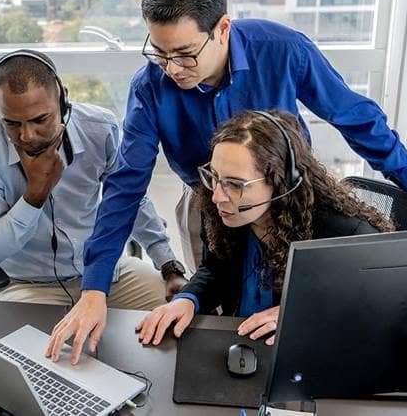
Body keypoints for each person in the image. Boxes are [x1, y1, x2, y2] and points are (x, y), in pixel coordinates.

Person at [45, 0, 407, 365]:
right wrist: (97, 289)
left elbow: (355, 117)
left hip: (291, 204)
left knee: (305, 313)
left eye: (184, 54)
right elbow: (126, 187)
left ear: (222, 29)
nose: (172, 69)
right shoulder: (151, 86)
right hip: (208, 205)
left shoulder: (283, 49)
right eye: (159, 53)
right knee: (228, 304)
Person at [134, 110, 393, 346]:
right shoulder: (221, 209)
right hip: (243, 342)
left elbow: (373, 307)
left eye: (235, 184)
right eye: (213, 176)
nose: (217, 196)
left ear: (281, 182)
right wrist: (188, 300)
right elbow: (216, 268)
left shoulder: (347, 235)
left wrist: (301, 314)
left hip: (308, 351)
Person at [0, 49, 185, 310]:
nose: (28, 135)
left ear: (63, 99)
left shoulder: (99, 129)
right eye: (12, 123)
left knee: (180, 315)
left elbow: (130, 200)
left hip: (106, 274)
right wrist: (35, 196)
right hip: (27, 286)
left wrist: (168, 265)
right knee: (32, 351)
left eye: (40, 119)